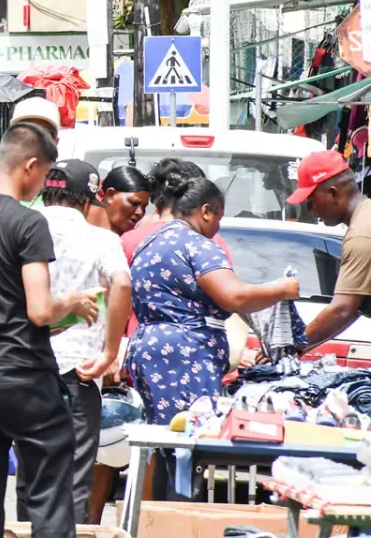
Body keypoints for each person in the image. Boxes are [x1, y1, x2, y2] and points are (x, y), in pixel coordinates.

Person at [0, 123, 98, 537]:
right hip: (25, 377)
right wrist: (73, 302)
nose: (43, 186)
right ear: (29, 166)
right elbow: (41, 310)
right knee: (48, 496)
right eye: (44, 175)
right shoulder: (28, 225)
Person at [14, 159, 132, 526]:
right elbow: (122, 284)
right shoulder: (100, 239)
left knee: (32, 472)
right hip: (80, 369)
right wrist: (110, 352)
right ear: (88, 200)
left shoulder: (21, 231)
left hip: (27, 365)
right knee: (77, 474)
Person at [127, 176, 299, 425]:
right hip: (185, 355)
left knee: (163, 438)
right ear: (206, 211)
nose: (218, 226)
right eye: (219, 217)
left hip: (147, 348)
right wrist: (282, 288)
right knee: (190, 437)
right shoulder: (198, 246)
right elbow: (234, 296)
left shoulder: (149, 243)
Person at [289, 151, 371, 347]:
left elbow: (342, 310)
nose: (310, 209)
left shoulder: (362, 233)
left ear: (333, 193)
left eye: (311, 200)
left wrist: (290, 349)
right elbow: (354, 308)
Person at [86, 166, 151, 235]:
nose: (140, 213)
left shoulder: (138, 242)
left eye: (144, 207)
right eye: (134, 203)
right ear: (110, 195)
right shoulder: (79, 233)